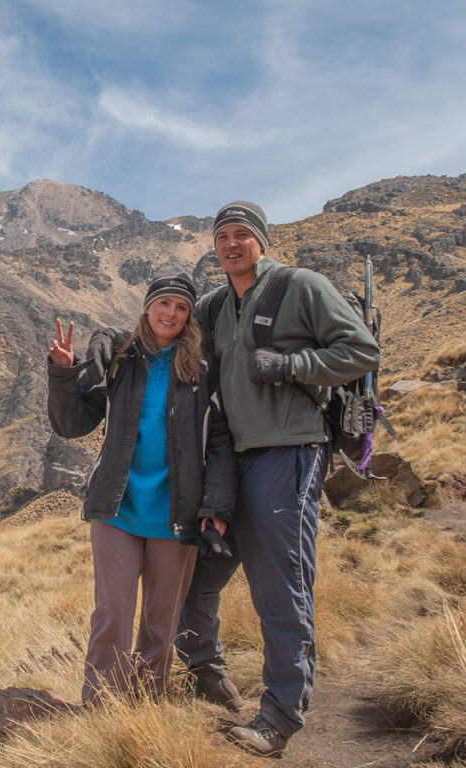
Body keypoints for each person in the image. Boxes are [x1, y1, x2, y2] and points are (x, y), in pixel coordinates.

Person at [175, 201, 381, 757]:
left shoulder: (301, 287)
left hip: (289, 453)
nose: (232, 244)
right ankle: (208, 680)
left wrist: (293, 367)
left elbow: (362, 350)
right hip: (229, 462)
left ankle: (280, 716)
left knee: (277, 589)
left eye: (243, 235)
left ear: (261, 241)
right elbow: (173, 343)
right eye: (222, 237)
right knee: (193, 578)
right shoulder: (217, 305)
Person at [46, 269, 236, 703]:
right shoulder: (122, 358)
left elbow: (221, 442)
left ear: (189, 317)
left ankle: (145, 707)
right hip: (119, 510)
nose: (171, 313)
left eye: (181, 307)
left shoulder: (204, 369)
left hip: (177, 515)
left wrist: (216, 510)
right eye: (164, 303)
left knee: (160, 621)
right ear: (148, 307)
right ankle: (101, 707)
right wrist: (63, 374)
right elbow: (73, 424)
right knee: (112, 614)